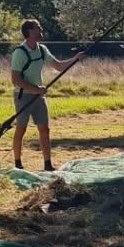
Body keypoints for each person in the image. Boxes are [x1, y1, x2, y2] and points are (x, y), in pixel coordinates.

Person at [10, 19, 84, 171]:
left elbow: (58, 65)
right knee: (21, 128)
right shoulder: (19, 52)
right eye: (38, 27)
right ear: (30, 31)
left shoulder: (42, 49)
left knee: (44, 128)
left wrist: (75, 59)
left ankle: (48, 164)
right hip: (23, 96)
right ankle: (17, 163)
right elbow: (15, 80)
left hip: (39, 96)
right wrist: (36, 89)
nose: (41, 29)